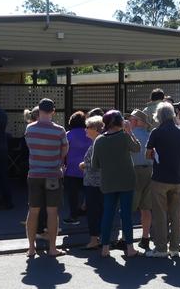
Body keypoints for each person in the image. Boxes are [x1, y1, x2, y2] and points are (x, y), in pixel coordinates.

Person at [92, 110, 140, 258]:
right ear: (120, 122)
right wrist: (130, 132)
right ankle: (130, 248)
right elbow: (137, 148)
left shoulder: (99, 140)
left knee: (108, 214)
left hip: (108, 182)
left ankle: (105, 248)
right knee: (126, 214)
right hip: (126, 181)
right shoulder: (124, 137)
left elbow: (95, 165)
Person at [24, 98, 68, 257]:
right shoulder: (59, 130)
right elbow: (65, 150)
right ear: (53, 111)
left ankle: (30, 248)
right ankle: (52, 248)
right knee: (52, 211)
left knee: (33, 210)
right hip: (53, 175)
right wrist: (57, 161)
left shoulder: (29, 129)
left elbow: (30, 147)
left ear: (39, 110)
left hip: (35, 173)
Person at [146, 103, 180, 258]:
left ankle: (161, 248)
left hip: (160, 178)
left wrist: (155, 153)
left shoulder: (157, 132)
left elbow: (148, 154)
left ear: (159, 115)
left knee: (160, 215)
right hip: (178, 178)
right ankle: (175, 247)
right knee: (175, 215)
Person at [126, 109, 153, 251]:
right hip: (150, 171)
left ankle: (126, 239)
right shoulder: (150, 135)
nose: (129, 121)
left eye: (131, 119)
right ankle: (145, 238)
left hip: (134, 172)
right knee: (146, 207)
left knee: (128, 208)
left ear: (136, 121)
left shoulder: (129, 135)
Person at [79, 116, 104, 250]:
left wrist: (84, 165)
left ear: (95, 129)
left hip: (93, 183)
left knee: (93, 212)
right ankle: (100, 238)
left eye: (88, 127)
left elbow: (96, 164)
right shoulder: (100, 142)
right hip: (101, 183)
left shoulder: (97, 143)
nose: (85, 130)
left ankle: (94, 239)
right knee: (100, 211)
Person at [63, 111, 91, 225]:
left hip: (71, 170)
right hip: (87, 169)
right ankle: (88, 212)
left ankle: (73, 215)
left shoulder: (68, 134)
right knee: (88, 193)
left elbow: (63, 152)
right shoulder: (89, 134)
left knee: (72, 195)